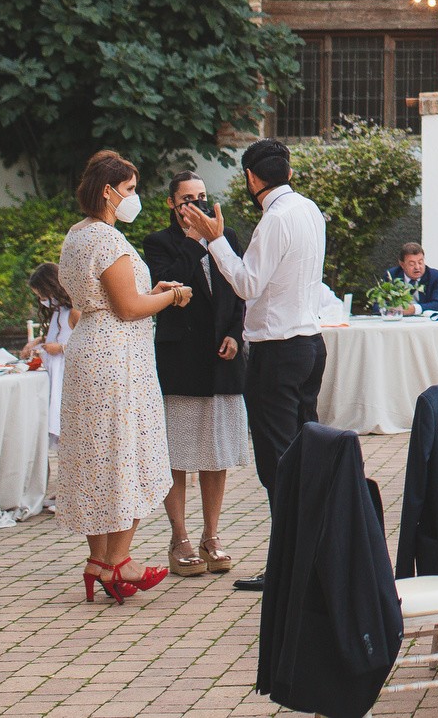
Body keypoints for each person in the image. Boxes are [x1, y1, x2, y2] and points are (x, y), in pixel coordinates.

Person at [178, 137, 329, 593]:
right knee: (306, 454)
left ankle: (287, 568)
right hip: (309, 345)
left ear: (251, 178)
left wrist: (215, 239)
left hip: (278, 351)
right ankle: (313, 555)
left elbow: (246, 284)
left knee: (278, 463)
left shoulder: (276, 219)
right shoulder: (308, 209)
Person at [56, 150, 191, 605]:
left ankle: (99, 559)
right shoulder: (108, 240)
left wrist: (149, 292)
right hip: (116, 357)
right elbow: (128, 308)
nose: (135, 198)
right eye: (131, 190)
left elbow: (108, 296)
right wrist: (171, 297)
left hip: (91, 349)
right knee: (124, 450)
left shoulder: (77, 235)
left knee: (99, 452)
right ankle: (119, 561)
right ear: (110, 191)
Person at [143, 172, 247, 579]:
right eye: (188, 198)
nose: (198, 204)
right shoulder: (159, 242)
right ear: (172, 203)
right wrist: (191, 239)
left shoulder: (228, 235)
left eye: (203, 196)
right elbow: (167, 289)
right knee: (178, 454)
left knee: (215, 452)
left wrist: (236, 335)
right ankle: (180, 537)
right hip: (181, 358)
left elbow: (240, 289)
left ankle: (212, 535)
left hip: (222, 357)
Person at [22, 263, 77, 450]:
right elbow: (55, 335)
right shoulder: (57, 312)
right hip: (53, 373)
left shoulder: (74, 312)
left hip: (67, 377)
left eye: (43, 295)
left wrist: (61, 348)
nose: (42, 300)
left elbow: (89, 345)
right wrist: (38, 341)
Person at [385, 242, 438, 314]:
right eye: (412, 264)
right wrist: (390, 309)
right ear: (402, 264)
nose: (417, 267)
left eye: (420, 262)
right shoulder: (392, 275)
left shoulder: (436, 277)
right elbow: (377, 304)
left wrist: (414, 309)